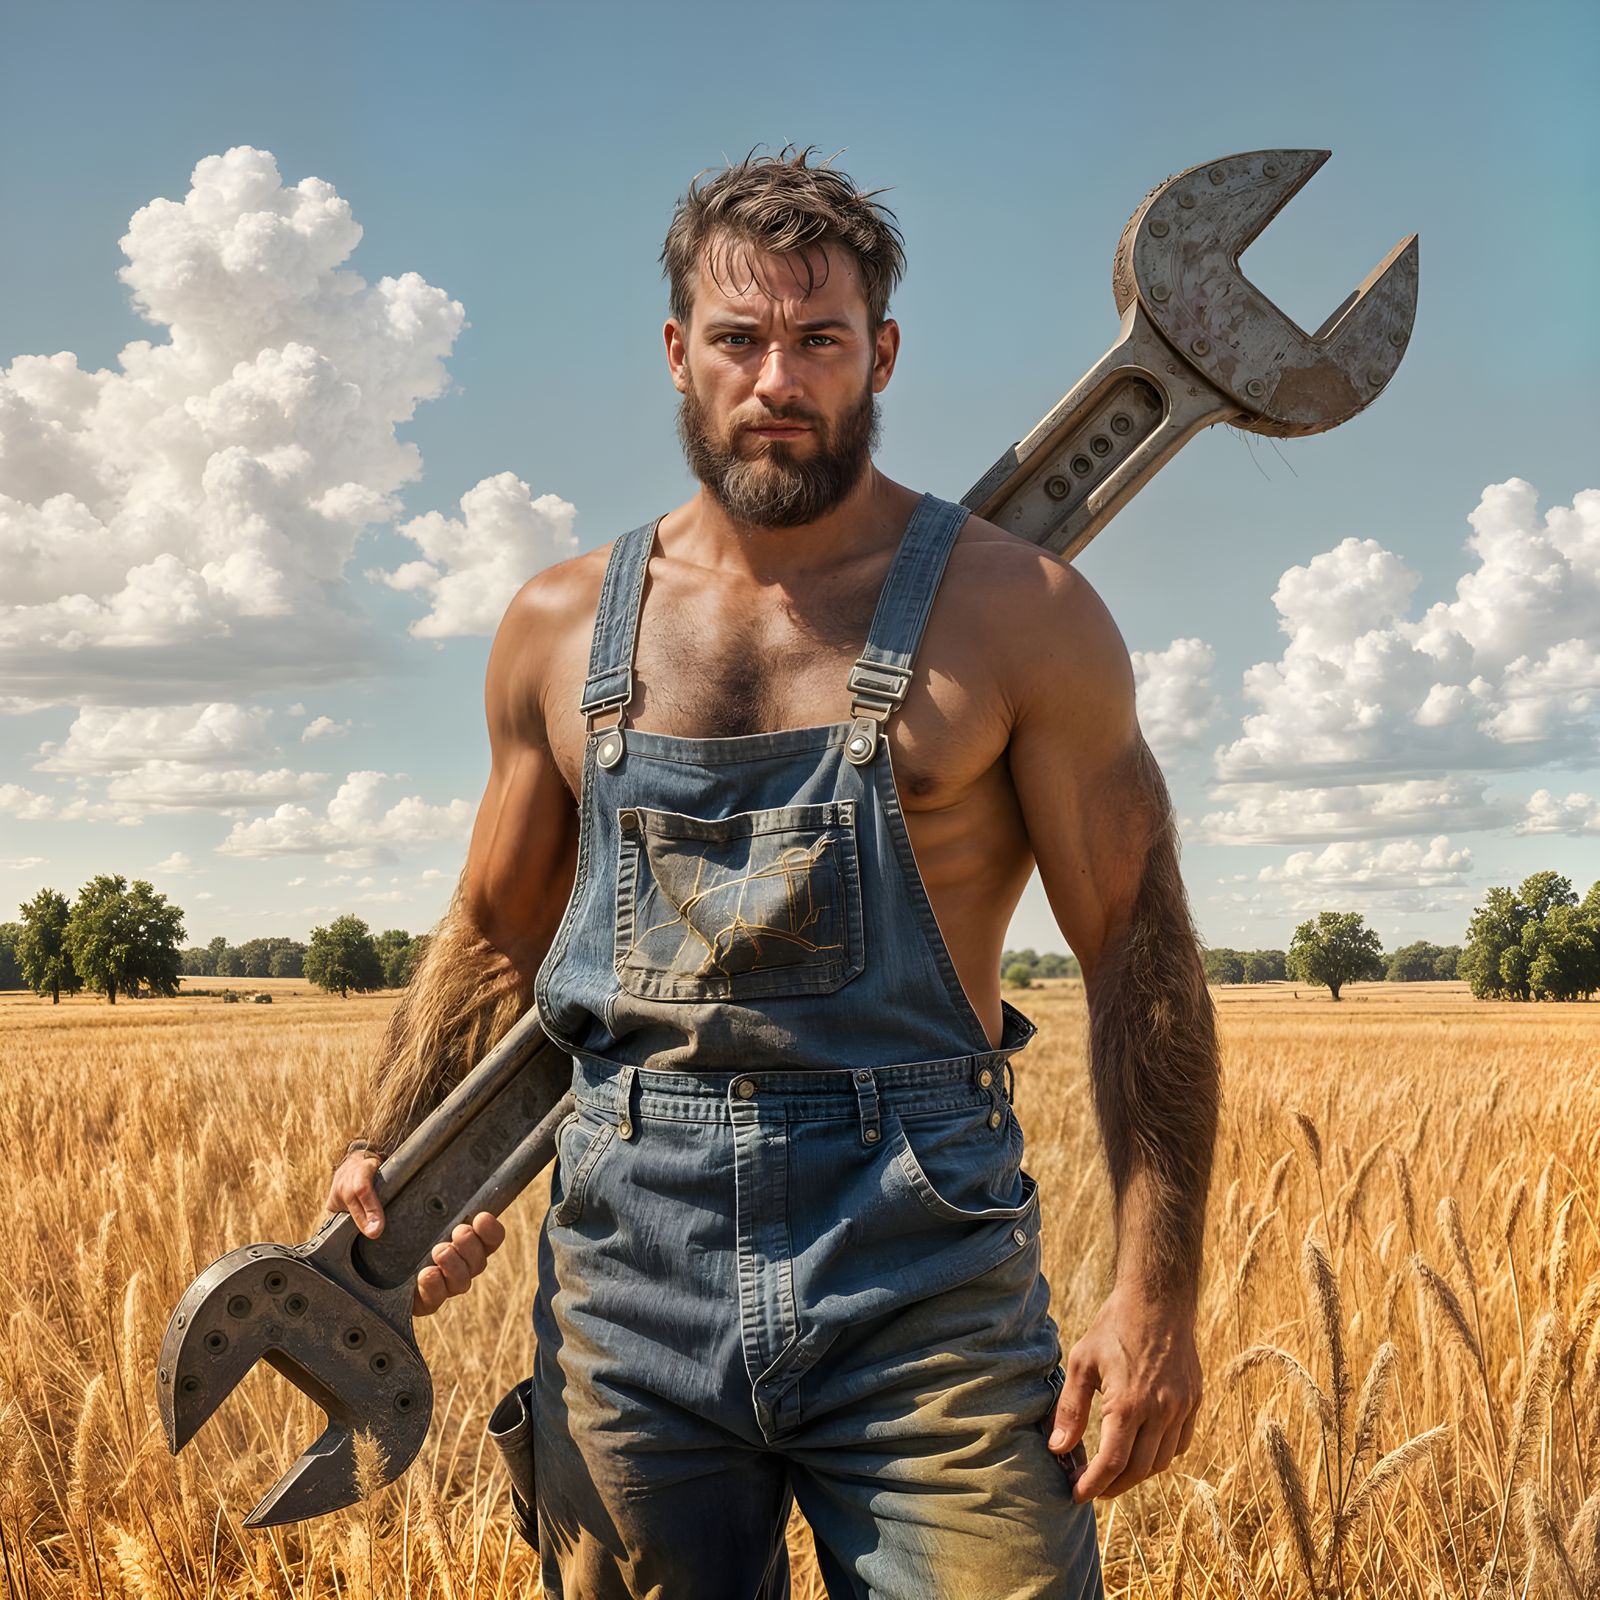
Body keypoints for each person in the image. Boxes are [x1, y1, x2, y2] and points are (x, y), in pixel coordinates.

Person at [327, 146, 1219, 1599]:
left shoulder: (1026, 612)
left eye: (819, 341)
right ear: (680, 354)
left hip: (923, 1276)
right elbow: (497, 934)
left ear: (882, 354)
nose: (777, 379)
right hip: (630, 1281)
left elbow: (1139, 953)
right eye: (739, 341)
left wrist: (1157, 1291)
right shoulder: (559, 626)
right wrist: (401, 1162)